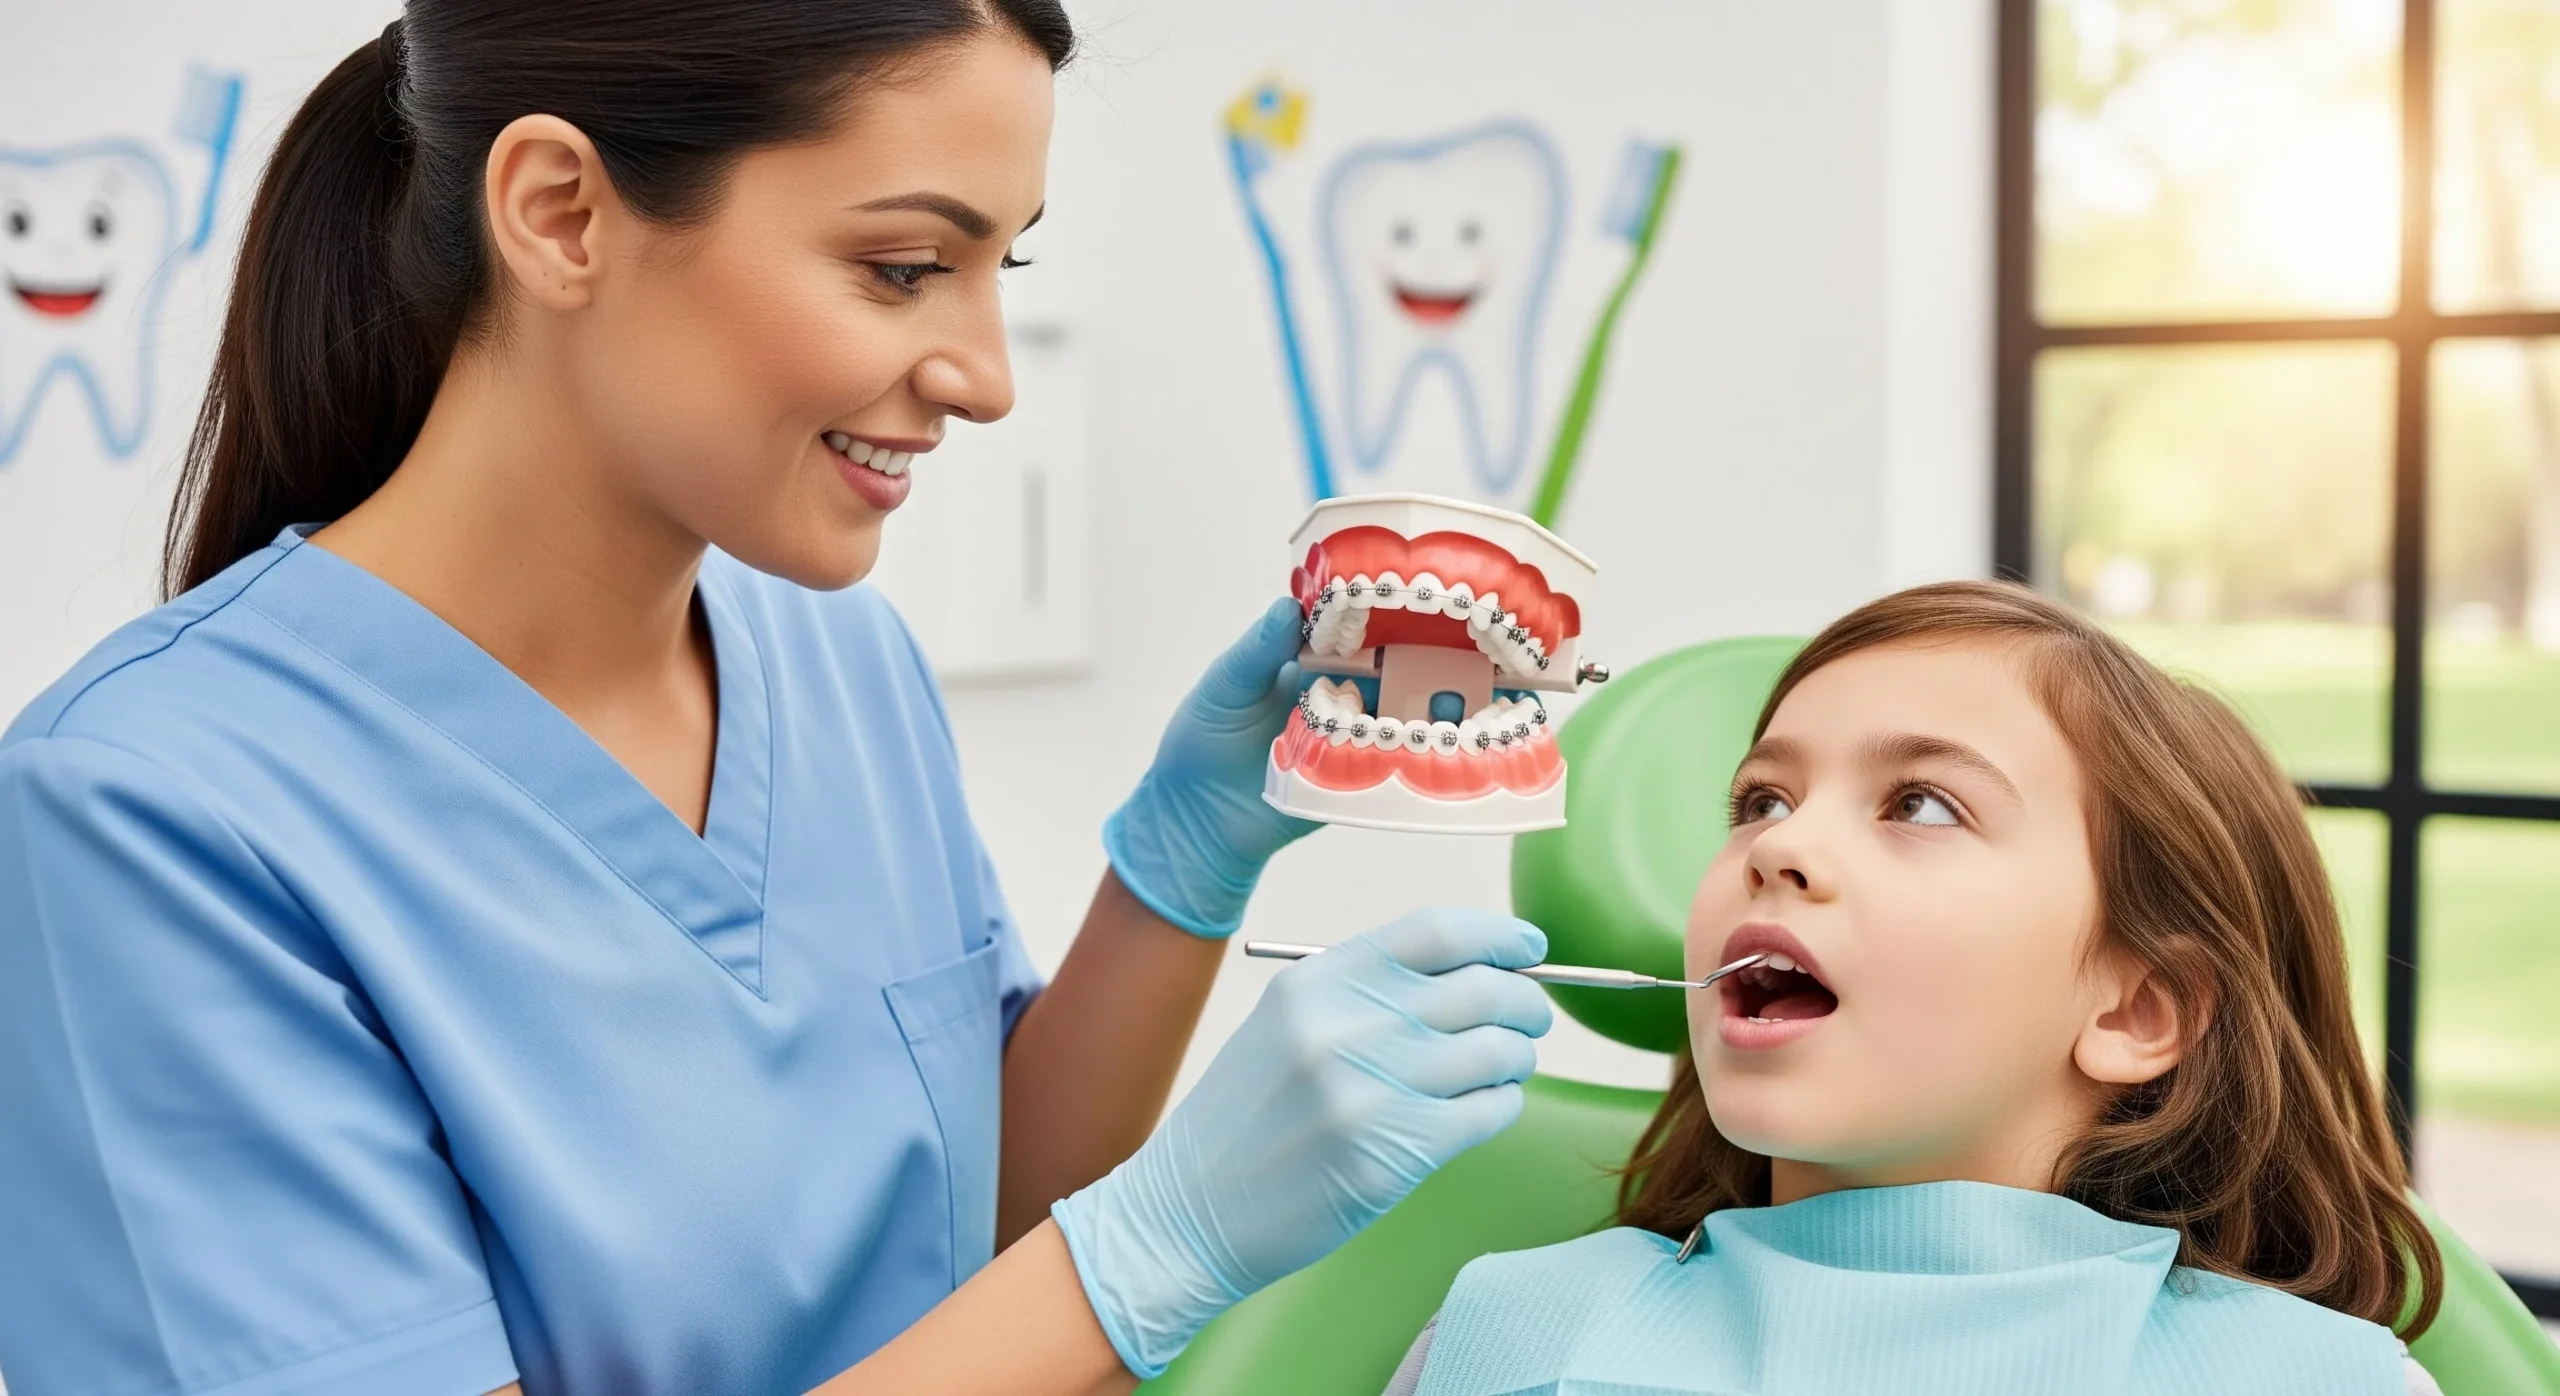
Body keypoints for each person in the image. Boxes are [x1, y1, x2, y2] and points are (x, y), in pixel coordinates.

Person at [0, 5, 1558, 1395]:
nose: (985, 371)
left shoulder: (831, 659)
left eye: (997, 266)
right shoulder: (148, 816)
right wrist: (1154, 1250)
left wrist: (1180, 870)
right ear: (560, 215)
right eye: (902, 269)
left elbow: (971, 1248)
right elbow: (1065, 1291)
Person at [1383, 582, 2444, 1396]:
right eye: (1760, 798)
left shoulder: (2326, 1381)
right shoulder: (1507, 1339)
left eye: (1922, 805)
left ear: (2136, 1011)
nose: (1781, 842)